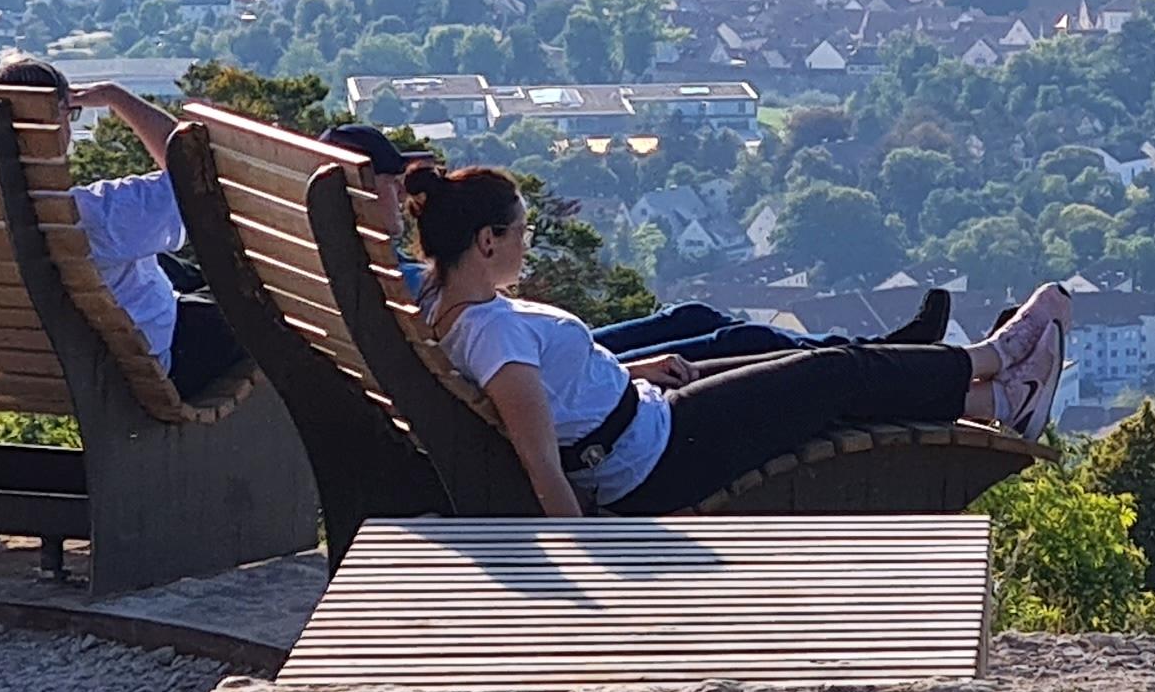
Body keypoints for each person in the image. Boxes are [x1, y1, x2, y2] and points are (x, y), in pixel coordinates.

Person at [410, 164, 1067, 518]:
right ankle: (995, 368)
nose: (528, 244)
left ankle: (992, 401)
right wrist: (595, 574)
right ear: (487, 240)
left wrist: (638, 367)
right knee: (831, 376)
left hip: (649, 414)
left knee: (799, 363)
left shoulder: (457, 305)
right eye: (521, 232)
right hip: (660, 458)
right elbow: (541, 462)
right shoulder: (494, 337)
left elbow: (557, 399)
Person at [313, 122, 944, 359]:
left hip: (531, 353)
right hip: (528, 361)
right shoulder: (386, 265)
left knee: (695, 317)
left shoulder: (358, 253)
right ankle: (887, 355)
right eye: (393, 184)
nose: (407, 196)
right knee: (737, 338)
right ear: (361, 190)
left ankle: (878, 351)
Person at [0, 57, 244, 395]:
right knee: (257, 313)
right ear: (56, 118)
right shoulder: (94, 215)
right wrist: (117, 98)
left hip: (32, 370)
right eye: (69, 114)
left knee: (177, 270)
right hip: (141, 368)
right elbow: (195, 172)